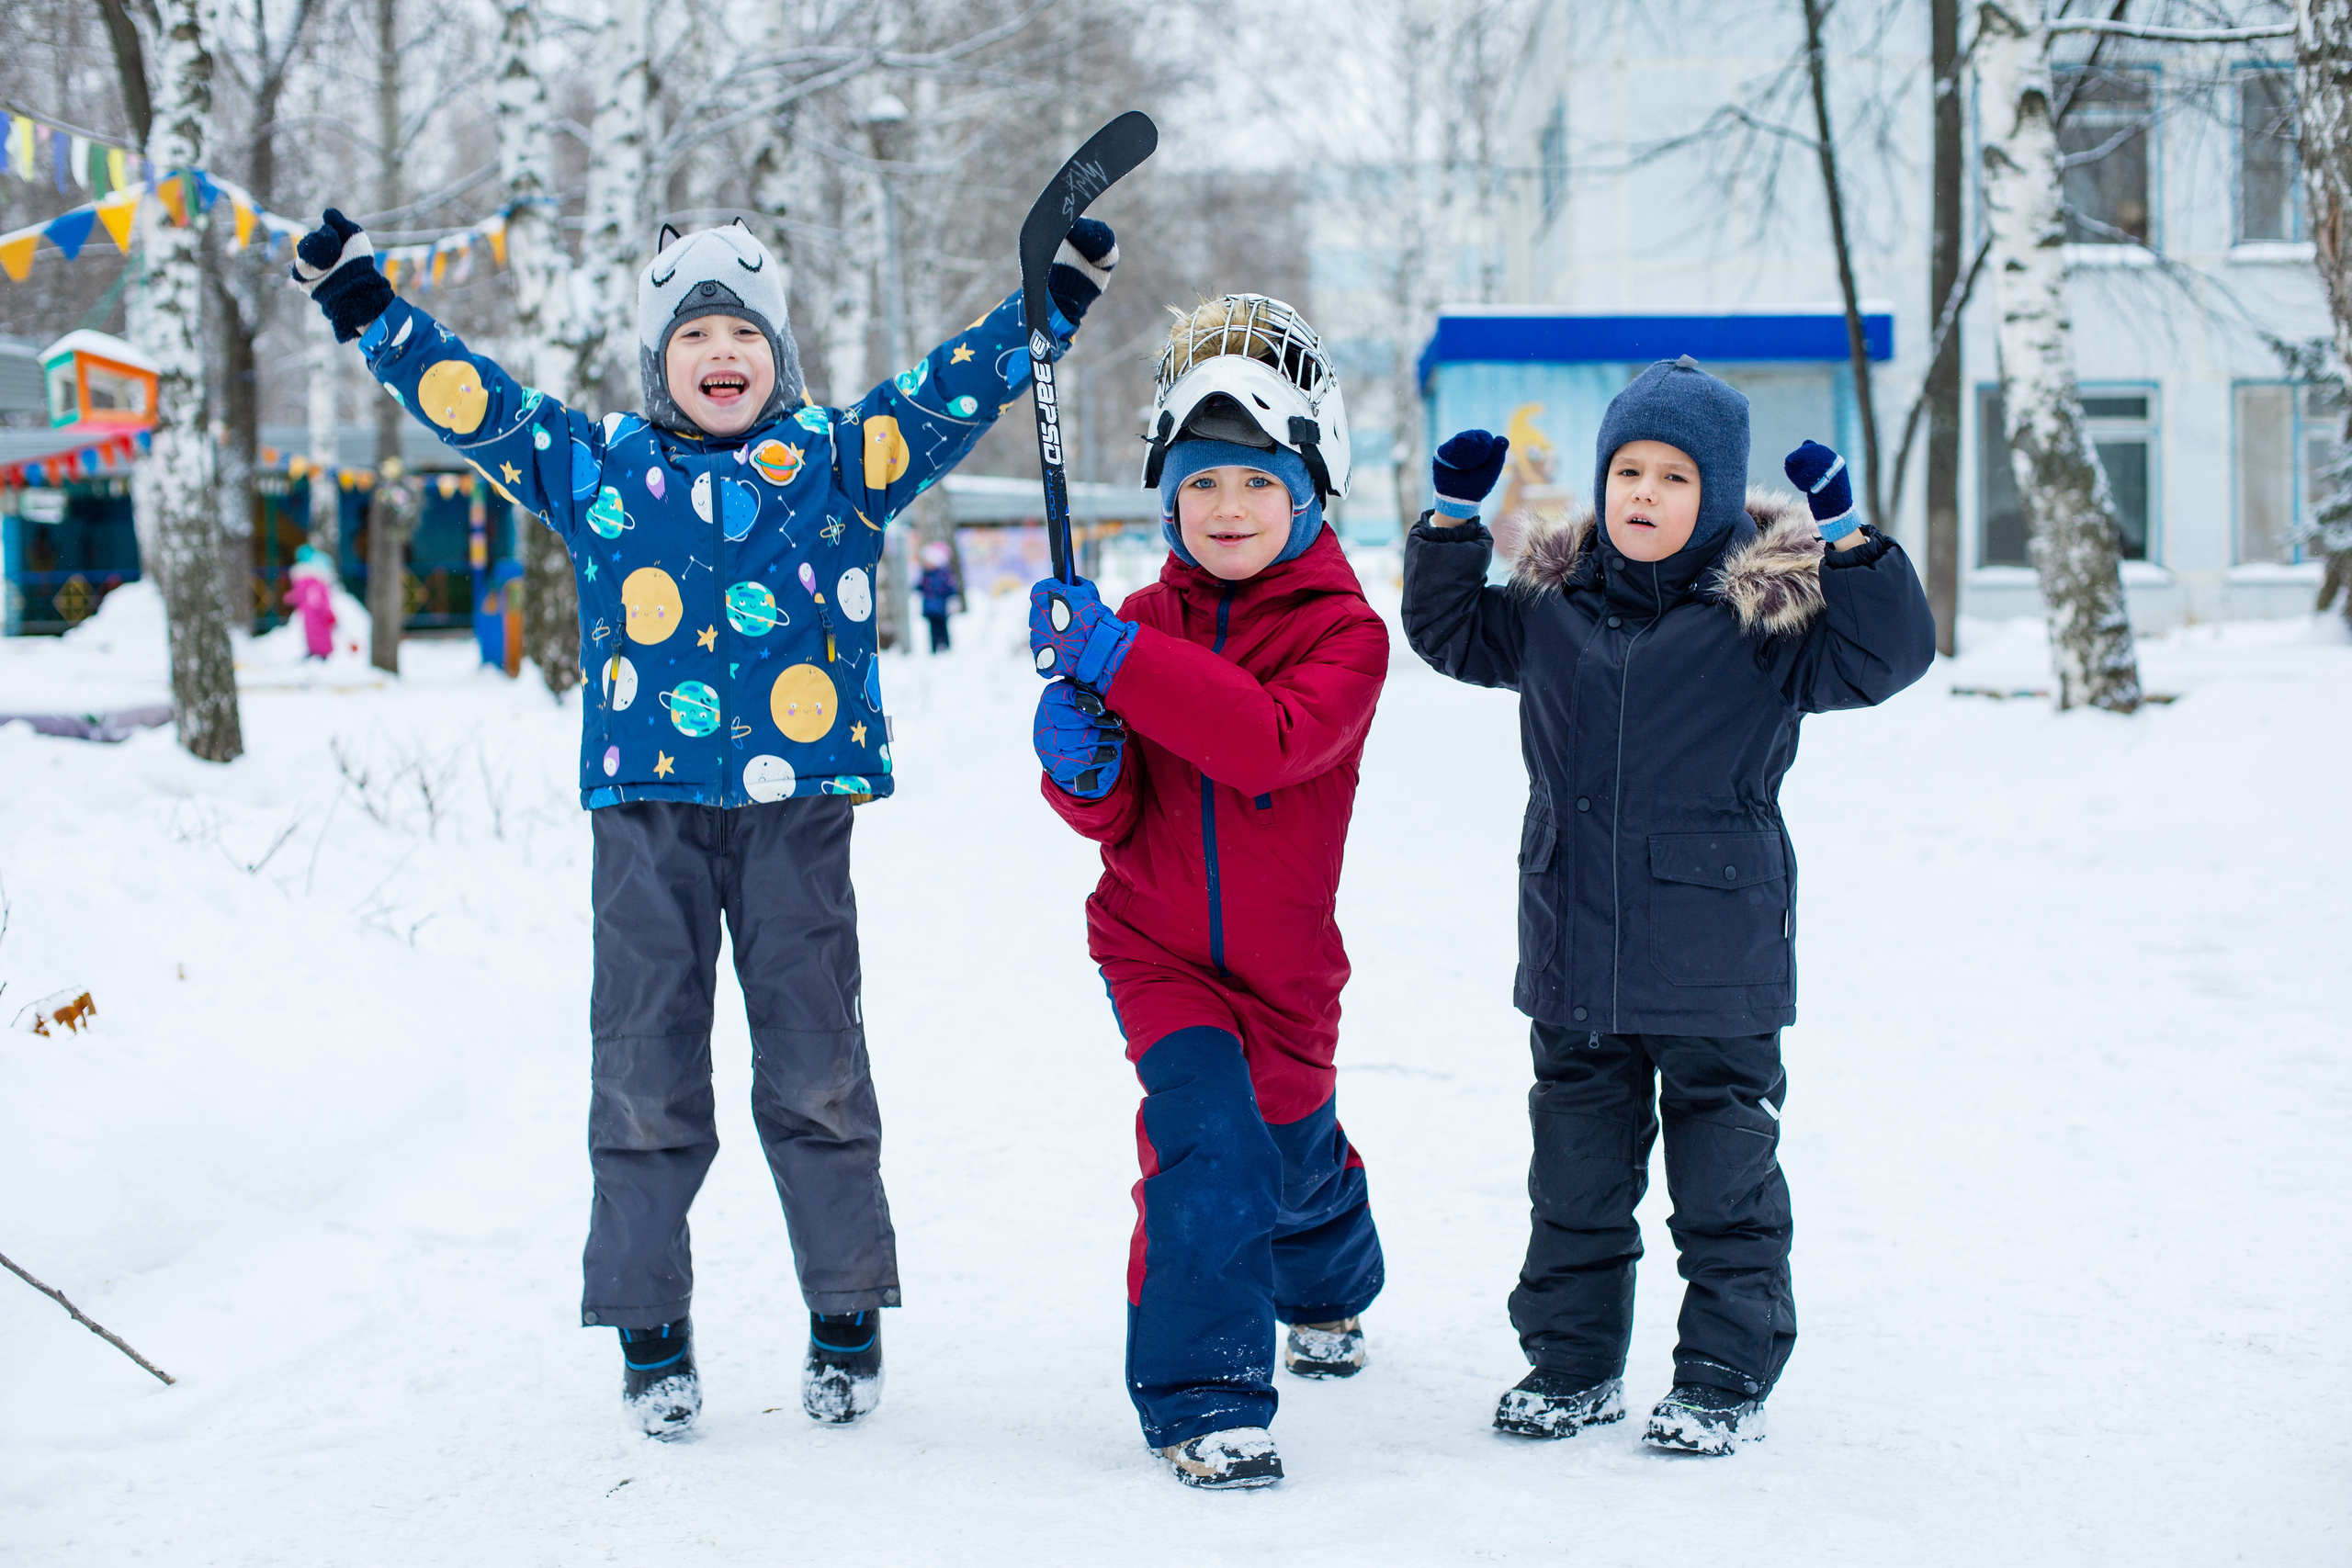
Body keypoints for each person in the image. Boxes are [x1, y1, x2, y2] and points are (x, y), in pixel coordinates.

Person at [288, 205, 1121, 1438]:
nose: (721, 349)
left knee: (817, 1061)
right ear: (655, 360)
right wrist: (367, 306)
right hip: (647, 816)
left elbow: (951, 393)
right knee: (642, 1061)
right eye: (696, 333)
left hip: (797, 817)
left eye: (743, 328)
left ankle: (845, 1306)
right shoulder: (599, 465)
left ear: (777, 352)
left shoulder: (840, 462)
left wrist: (1044, 309)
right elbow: (478, 402)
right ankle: (649, 1323)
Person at [1401, 356, 1936, 1455]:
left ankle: (1725, 1375)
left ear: (1721, 497)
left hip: (1714, 961)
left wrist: (1851, 548)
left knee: (1723, 1185)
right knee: (1576, 1180)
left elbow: (1889, 657)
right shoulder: (1550, 611)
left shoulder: (1768, 622)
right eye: (1627, 471)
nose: (1643, 494)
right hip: (1572, 952)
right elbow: (1449, 635)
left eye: (1675, 477)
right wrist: (1453, 522)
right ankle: (1571, 1365)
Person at [1029, 296, 1385, 1490]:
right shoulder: (1133, 621)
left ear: (1309, 488)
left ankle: (1331, 1282)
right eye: (1200, 485)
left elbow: (1271, 742)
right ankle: (1205, 1391)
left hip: (1285, 971)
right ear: (1166, 499)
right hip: (1158, 947)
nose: (1226, 509)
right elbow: (1116, 812)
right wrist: (1081, 762)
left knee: (1293, 1156)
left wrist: (1122, 667)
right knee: (1211, 1143)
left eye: (1255, 482)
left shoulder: (1344, 633)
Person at [285, 544, 336, 660]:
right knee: (320, 634)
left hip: (309, 615)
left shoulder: (303, 582)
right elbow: (318, 602)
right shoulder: (316, 582)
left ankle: (315, 651)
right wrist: (327, 613)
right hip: (318, 617)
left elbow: (299, 595)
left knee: (311, 633)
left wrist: (290, 598)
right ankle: (322, 653)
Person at [916, 539, 960, 653]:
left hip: (941, 607)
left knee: (942, 627)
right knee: (932, 629)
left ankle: (946, 645)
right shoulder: (926, 575)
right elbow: (921, 587)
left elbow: (950, 589)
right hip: (930, 608)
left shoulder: (944, 575)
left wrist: (952, 601)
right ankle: (934, 647)